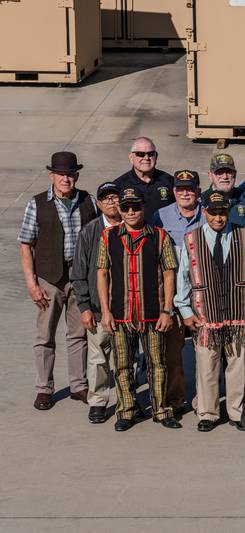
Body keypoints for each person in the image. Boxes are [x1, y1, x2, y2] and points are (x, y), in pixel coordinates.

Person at [174, 190, 245, 432]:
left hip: (237, 313)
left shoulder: (244, 235)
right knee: (207, 365)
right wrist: (185, 310)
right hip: (206, 314)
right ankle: (208, 413)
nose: (218, 218)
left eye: (222, 212)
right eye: (213, 213)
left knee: (237, 365)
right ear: (204, 212)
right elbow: (183, 276)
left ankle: (236, 410)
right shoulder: (191, 239)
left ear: (228, 211)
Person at [96, 188, 181, 431]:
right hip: (121, 313)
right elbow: (102, 273)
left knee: (158, 363)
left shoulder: (159, 236)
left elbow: (169, 273)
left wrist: (167, 310)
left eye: (136, 207)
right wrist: (105, 311)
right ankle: (126, 410)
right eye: (126, 207)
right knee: (122, 365)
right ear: (120, 209)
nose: (131, 212)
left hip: (152, 313)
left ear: (143, 207)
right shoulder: (108, 236)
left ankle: (161, 410)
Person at [19, 151, 96, 411]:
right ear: (51, 175)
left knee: (79, 334)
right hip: (49, 279)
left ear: (76, 176)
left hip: (80, 278)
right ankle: (44, 389)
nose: (66, 178)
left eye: (70, 174)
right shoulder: (37, 203)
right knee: (45, 336)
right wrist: (32, 284)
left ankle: (78, 385)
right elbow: (26, 246)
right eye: (61, 174)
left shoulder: (88, 201)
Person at [152, 169, 204, 415]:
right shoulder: (160, 216)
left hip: (202, 295)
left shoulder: (209, 215)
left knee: (204, 351)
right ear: (173, 191)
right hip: (172, 295)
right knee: (173, 352)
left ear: (198, 191)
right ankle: (176, 398)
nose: (185, 193)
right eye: (180, 189)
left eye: (190, 189)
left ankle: (204, 400)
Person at [70, 182, 121, 423]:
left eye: (115, 197)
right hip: (99, 310)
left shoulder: (133, 227)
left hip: (127, 309)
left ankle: (126, 402)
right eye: (106, 198)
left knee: (125, 359)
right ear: (98, 204)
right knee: (98, 358)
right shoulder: (90, 232)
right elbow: (79, 272)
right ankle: (98, 402)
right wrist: (84, 307)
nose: (111, 201)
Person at [114, 137, 175, 219]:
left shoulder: (170, 181)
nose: (146, 158)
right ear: (131, 157)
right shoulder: (119, 185)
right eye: (140, 154)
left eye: (150, 154)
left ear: (156, 156)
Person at [206, 153, 245, 228]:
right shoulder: (202, 202)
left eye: (229, 172)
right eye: (219, 172)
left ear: (235, 174)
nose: (225, 177)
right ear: (210, 175)